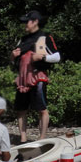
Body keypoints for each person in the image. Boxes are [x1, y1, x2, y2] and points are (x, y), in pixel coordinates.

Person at [10, 10, 60, 142]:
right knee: (21, 110)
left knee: (41, 109)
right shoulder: (23, 40)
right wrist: (13, 57)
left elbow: (57, 56)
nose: (25, 24)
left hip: (38, 78)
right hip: (22, 79)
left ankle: (42, 138)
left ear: (35, 22)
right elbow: (17, 61)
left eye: (27, 21)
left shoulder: (45, 37)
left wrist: (42, 57)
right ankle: (23, 139)